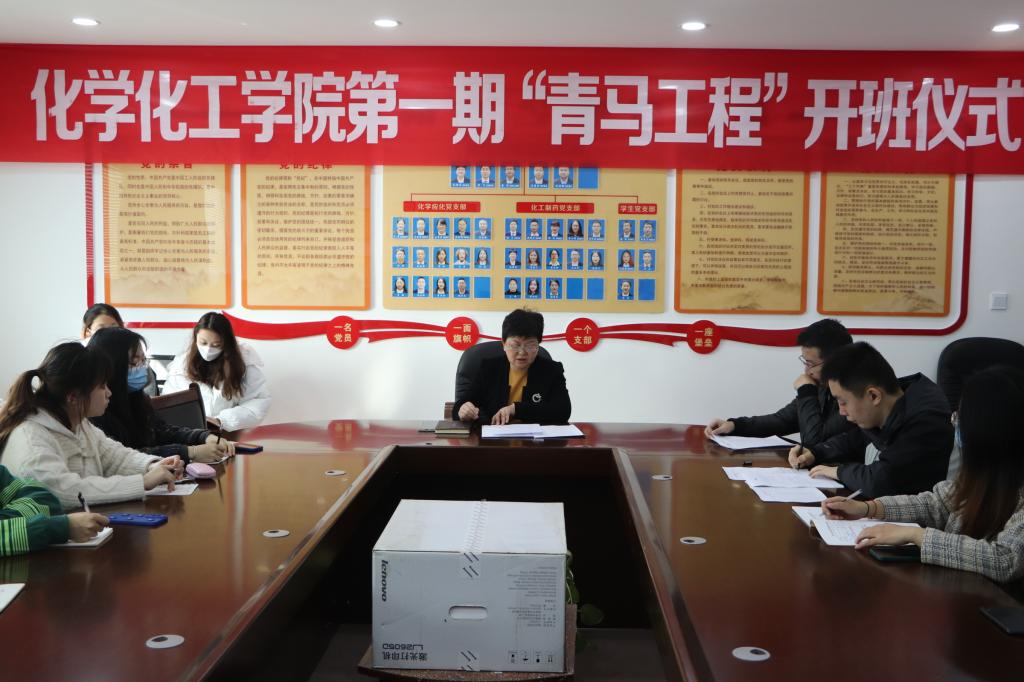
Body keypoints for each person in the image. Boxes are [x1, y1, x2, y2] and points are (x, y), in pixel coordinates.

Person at [821, 367, 1024, 583]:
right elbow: (936, 504)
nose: (955, 423)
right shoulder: (983, 473)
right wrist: (869, 508)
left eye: (961, 418)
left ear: (987, 430)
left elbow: (1006, 560)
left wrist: (917, 536)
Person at [0, 342, 180, 510]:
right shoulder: (31, 438)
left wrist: (152, 466)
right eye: (102, 386)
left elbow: (115, 457)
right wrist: (143, 482)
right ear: (73, 397)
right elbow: (63, 492)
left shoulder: (77, 421)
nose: (109, 393)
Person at [788, 341, 952, 498]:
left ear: (873, 396)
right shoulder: (894, 400)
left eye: (843, 402)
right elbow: (856, 439)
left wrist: (838, 471)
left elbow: (882, 482)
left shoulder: (926, 421)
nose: (842, 412)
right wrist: (816, 452)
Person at [89, 327, 233, 463]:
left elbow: (163, 431)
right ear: (113, 366)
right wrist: (190, 452)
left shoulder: (137, 398)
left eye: (143, 360)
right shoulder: (95, 411)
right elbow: (126, 457)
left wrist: (203, 437)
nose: (143, 368)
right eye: (134, 362)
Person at [705, 319, 856, 447]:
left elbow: (814, 443)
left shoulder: (855, 396)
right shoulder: (822, 386)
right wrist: (735, 425)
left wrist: (806, 391)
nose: (806, 371)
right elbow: (782, 421)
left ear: (835, 362)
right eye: (805, 362)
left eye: (811, 364)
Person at [453, 309, 570, 426]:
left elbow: (563, 411)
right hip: (494, 435)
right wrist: (463, 410)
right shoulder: (489, 369)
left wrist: (516, 409)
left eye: (530, 345)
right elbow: (459, 406)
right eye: (515, 345)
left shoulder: (552, 370)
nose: (522, 352)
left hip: (536, 436)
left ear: (538, 345)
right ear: (504, 344)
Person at [164, 312, 271, 433]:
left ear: (226, 343)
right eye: (203, 343)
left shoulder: (243, 364)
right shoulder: (181, 366)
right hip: (190, 435)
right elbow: (170, 405)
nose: (208, 349)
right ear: (195, 338)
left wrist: (222, 421)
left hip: (228, 434)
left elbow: (258, 401)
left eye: (216, 345)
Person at [0, 464, 109, 554]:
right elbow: (63, 489)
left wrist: (10, 525)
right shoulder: (33, 449)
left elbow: (43, 499)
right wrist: (59, 527)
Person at [79, 303, 158, 395]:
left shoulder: (138, 360)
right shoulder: (85, 364)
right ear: (88, 331)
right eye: (101, 329)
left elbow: (150, 394)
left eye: (114, 327)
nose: (109, 333)